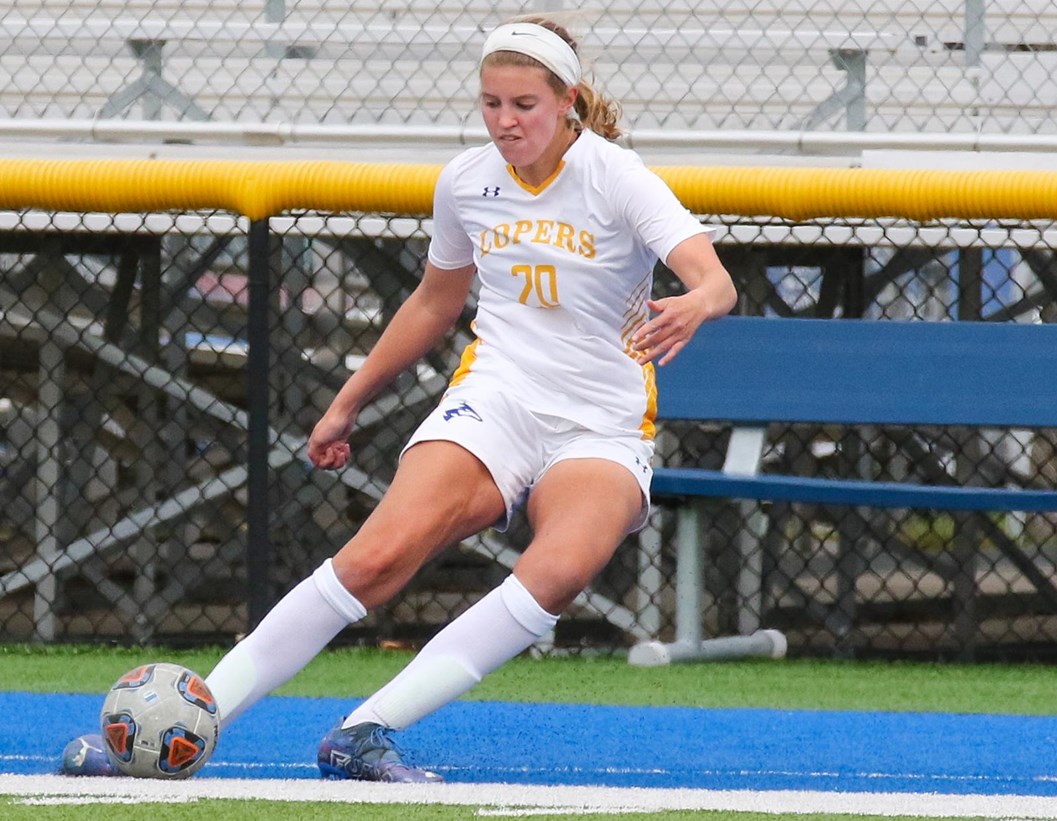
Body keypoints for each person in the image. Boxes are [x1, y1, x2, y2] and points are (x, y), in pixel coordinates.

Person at [62, 15, 737, 782]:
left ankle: (364, 730)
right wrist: (346, 401)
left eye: (524, 105)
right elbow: (433, 302)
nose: (506, 121)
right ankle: (187, 723)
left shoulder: (617, 176)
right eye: (491, 103)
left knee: (557, 569)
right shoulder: (467, 181)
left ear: (568, 101)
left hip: (601, 421)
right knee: (377, 556)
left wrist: (696, 301)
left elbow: (714, 277)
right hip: (500, 396)